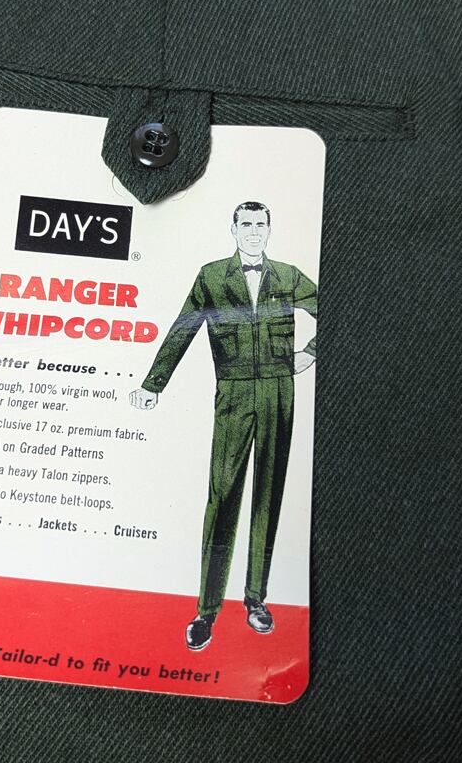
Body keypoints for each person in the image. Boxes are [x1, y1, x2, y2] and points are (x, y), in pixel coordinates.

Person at [130, 201, 317, 651]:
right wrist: (153, 385)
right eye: (245, 224)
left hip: (278, 392)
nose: (253, 231)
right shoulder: (212, 276)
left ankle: (256, 599)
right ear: (233, 229)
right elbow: (183, 329)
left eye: (260, 224)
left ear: (269, 229)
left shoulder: (288, 275)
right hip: (232, 396)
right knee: (223, 494)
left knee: (268, 493)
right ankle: (206, 611)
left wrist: (310, 353)